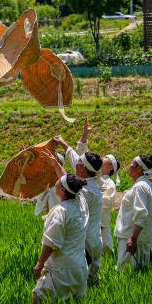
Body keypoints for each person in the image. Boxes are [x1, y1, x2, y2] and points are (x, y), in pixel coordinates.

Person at [55, 119, 104, 284]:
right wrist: (62, 143)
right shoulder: (91, 178)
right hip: (94, 240)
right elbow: (75, 156)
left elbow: (67, 183)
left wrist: (54, 164)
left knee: (84, 282)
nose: (76, 162)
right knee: (93, 281)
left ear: (83, 168)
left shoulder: (87, 190)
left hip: (87, 243)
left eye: (79, 163)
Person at [32, 173, 89, 304]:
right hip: (80, 267)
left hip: (62, 268)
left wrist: (40, 264)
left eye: (57, 182)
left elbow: (51, 243)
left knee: (39, 298)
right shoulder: (81, 206)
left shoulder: (60, 211)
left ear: (62, 189)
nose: (55, 182)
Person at [115, 155, 152, 271]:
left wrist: (133, 239)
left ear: (139, 168)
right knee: (139, 272)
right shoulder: (149, 186)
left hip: (132, 237)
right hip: (141, 237)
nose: (129, 165)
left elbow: (141, 213)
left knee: (127, 274)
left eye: (132, 163)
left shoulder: (140, 187)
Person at [99, 154, 121, 255]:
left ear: (111, 167)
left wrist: (94, 197)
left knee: (106, 247)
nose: (103, 158)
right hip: (92, 218)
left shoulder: (109, 183)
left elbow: (108, 202)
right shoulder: (95, 177)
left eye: (106, 159)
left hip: (102, 221)